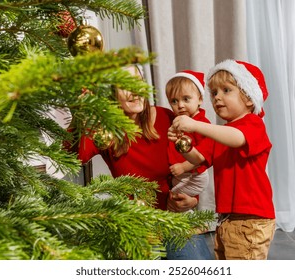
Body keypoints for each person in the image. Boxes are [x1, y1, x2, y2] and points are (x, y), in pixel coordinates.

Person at [67, 65, 208, 258]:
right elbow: (68, 157)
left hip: (175, 220)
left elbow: (196, 161)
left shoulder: (169, 118)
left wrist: (191, 199)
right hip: (136, 227)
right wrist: (78, 117)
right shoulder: (105, 131)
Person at [168, 59, 276, 260]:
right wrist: (182, 145)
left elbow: (237, 139)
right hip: (226, 219)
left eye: (226, 90)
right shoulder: (221, 133)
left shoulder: (253, 124)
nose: (217, 97)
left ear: (249, 98)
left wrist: (196, 126)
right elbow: (198, 158)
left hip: (250, 219)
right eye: (214, 93)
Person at [164, 70, 215, 260]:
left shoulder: (201, 123)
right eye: (174, 102)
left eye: (186, 99)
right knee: (178, 197)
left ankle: (192, 222)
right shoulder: (175, 121)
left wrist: (183, 167)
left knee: (174, 197)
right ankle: (190, 220)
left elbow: (203, 155)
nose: (180, 105)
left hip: (195, 175)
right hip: (184, 175)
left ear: (200, 99)